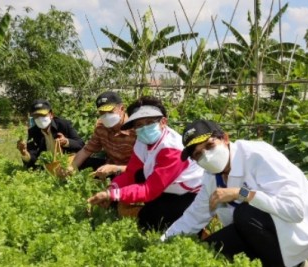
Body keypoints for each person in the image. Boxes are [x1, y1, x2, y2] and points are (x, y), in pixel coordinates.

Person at [162, 119, 308, 267]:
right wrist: (162, 243)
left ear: (225, 138)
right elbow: (195, 215)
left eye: (209, 145)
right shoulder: (211, 177)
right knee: (214, 249)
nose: (206, 156)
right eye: (198, 155)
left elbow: (295, 210)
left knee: (244, 213)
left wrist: (241, 193)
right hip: (264, 228)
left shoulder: (257, 155)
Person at [87, 96, 204, 231]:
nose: (144, 128)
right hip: (165, 185)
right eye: (138, 125)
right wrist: (112, 189)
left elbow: (149, 190)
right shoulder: (142, 140)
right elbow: (131, 173)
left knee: (150, 222)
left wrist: (111, 195)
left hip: (189, 192)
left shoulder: (172, 149)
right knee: (135, 181)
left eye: (149, 122)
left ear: (163, 122)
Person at [72, 91, 136, 179]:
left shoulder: (135, 129)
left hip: (132, 171)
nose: (106, 116)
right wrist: (71, 167)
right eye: (102, 113)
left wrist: (115, 168)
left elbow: (143, 165)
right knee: (84, 163)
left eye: (110, 111)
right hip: (109, 169)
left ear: (122, 108)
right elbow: (86, 150)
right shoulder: (101, 126)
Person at [17, 99, 84, 169]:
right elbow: (33, 158)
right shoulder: (33, 132)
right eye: (36, 116)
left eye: (43, 115)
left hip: (67, 165)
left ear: (51, 114)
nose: (40, 119)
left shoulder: (63, 125)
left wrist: (66, 142)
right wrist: (24, 152)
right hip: (47, 168)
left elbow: (81, 144)